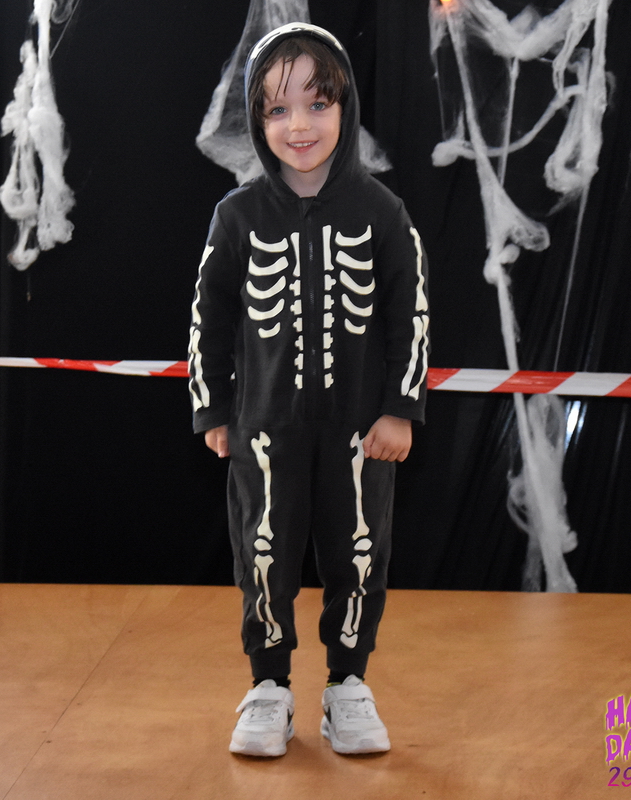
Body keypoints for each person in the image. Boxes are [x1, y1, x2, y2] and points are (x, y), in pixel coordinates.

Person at [188, 22, 429, 758]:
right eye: (278, 109)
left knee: (360, 553)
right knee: (262, 554)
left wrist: (401, 408)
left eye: (318, 104)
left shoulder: (383, 212)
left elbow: (411, 312)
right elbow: (207, 316)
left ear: (345, 109)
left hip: (360, 431)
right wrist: (213, 407)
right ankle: (268, 685)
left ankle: (348, 684)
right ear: (258, 121)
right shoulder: (236, 216)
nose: (299, 125)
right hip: (265, 428)